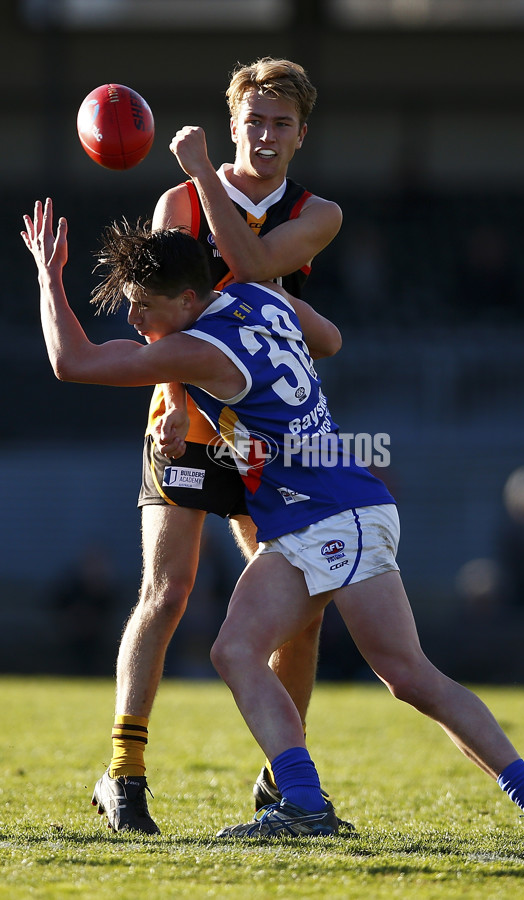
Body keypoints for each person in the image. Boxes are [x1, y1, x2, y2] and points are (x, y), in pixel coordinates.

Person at [22, 202, 524, 845]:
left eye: (142, 306)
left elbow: (73, 362)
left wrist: (49, 274)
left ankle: (302, 802)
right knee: (404, 675)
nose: (134, 320)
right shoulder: (261, 300)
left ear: (186, 299)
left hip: (317, 517)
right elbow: (329, 340)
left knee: (260, 654)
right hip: (354, 503)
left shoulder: (199, 351)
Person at [101, 58, 344, 833]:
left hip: (266, 435)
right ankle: (124, 772)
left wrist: (207, 169)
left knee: (300, 616)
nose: (265, 136)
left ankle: (284, 782)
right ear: (233, 121)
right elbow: (155, 316)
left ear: (301, 135)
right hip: (188, 416)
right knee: (166, 591)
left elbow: (255, 264)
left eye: (280, 124)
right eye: (253, 121)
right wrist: (170, 397)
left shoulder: (318, 212)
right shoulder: (178, 199)